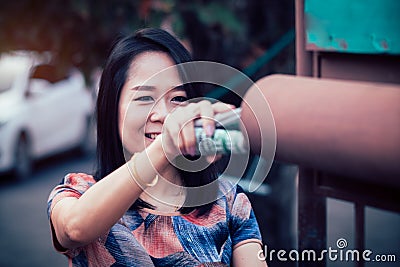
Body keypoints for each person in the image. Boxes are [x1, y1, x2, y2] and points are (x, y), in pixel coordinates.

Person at [47, 28, 267, 267]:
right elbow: (74, 230)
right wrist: (165, 148)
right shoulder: (78, 191)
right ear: (112, 109)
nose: (163, 115)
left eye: (178, 99)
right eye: (144, 98)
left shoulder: (229, 201)